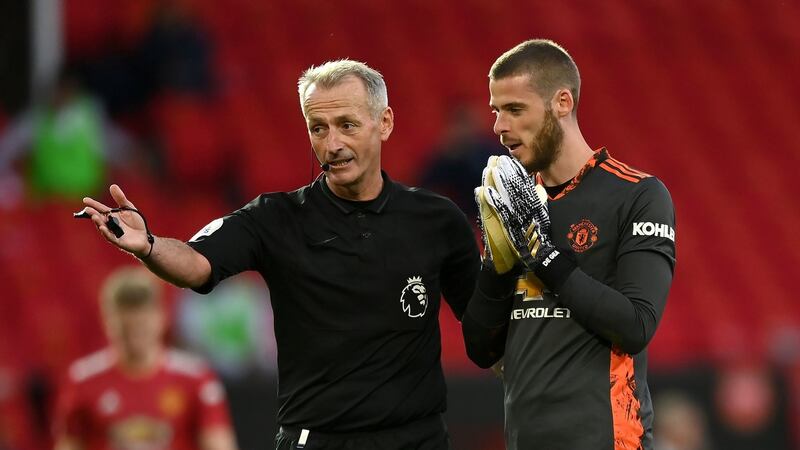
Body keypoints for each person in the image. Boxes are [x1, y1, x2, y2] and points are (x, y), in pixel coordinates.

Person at [80, 59, 480, 450]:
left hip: (418, 439)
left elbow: (486, 327)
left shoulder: (437, 220)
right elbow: (195, 264)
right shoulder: (275, 218)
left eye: (347, 125)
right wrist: (149, 246)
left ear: (385, 123)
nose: (332, 143)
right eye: (318, 128)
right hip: (317, 439)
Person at [462, 39, 676, 450]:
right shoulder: (515, 205)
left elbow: (636, 325)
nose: (499, 127)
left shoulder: (638, 194)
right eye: (496, 111)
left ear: (562, 102)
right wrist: (497, 267)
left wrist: (542, 255)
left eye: (515, 110)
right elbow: (480, 349)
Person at [52, 266, 237, 450]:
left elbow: (219, 444)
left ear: (162, 318)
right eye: (127, 329)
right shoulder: (83, 380)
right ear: (108, 322)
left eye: (141, 327)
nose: (135, 338)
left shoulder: (196, 379)